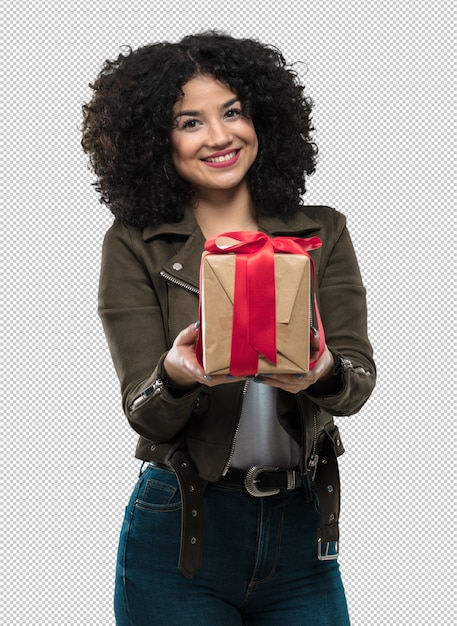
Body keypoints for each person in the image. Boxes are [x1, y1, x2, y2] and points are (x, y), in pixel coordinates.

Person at [82, 31, 376, 626]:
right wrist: (175, 374)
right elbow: (145, 411)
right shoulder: (134, 245)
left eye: (233, 111)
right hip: (182, 529)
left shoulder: (323, 233)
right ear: (156, 141)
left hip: (303, 530)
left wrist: (321, 372)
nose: (219, 136)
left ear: (263, 117)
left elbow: (358, 381)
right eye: (190, 121)